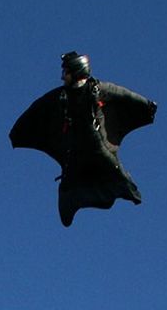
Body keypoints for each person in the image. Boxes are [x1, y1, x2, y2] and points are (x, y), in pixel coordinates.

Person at [9, 51, 158, 227]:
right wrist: (18, 132)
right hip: (75, 150)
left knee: (117, 175)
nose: (63, 77)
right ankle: (71, 208)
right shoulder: (60, 96)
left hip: (99, 146)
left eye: (66, 72)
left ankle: (130, 193)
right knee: (68, 188)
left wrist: (147, 106)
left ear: (76, 71)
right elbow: (38, 108)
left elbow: (124, 94)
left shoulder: (98, 89)